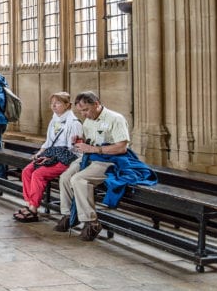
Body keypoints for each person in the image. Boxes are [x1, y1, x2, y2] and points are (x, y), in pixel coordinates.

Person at [54, 91, 156, 241]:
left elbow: (121, 147)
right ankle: (69, 215)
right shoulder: (88, 120)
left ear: (96, 104)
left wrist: (95, 149)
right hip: (90, 156)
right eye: (80, 111)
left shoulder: (116, 119)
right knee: (65, 177)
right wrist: (81, 141)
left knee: (79, 180)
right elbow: (91, 142)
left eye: (86, 110)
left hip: (109, 160)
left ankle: (91, 222)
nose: (84, 114)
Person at [14, 92, 82, 223]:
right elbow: (48, 142)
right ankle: (29, 204)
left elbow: (73, 149)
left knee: (38, 174)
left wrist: (51, 158)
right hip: (51, 155)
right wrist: (40, 153)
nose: (53, 106)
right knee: (27, 171)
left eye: (57, 103)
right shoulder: (54, 120)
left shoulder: (74, 123)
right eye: (52, 103)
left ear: (67, 105)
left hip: (65, 159)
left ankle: (33, 209)